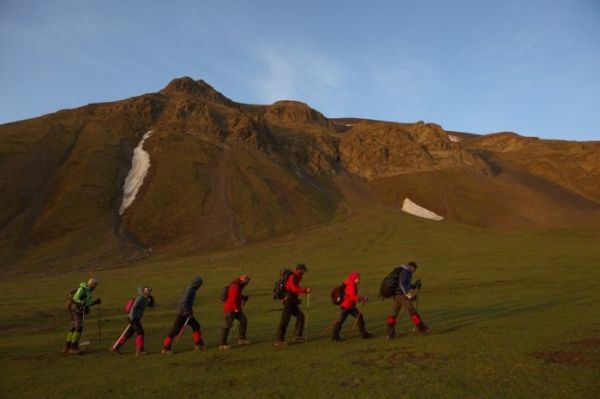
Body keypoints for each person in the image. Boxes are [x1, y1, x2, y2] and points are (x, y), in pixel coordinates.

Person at [384, 261, 429, 339]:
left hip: (396, 295)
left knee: (394, 313)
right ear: (411, 267)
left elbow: (405, 284)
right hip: (401, 295)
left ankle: (389, 334)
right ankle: (423, 329)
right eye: (414, 270)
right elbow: (402, 285)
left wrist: (414, 286)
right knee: (412, 311)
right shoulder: (405, 272)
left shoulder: (403, 270)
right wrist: (410, 297)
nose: (414, 271)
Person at [161, 276, 205, 354]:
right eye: (199, 284)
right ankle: (166, 348)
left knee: (196, 326)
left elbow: (189, 303)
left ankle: (199, 344)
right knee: (175, 330)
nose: (200, 286)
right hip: (182, 313)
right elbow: (184, 301)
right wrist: (186, 311)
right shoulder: (190, 290)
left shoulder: (193, 290)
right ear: (196, 283)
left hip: (187, 312)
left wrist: (190, 311)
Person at [110, 285, 155, 355]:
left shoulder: (145, 299)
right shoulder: (140, 298)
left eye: (150, 291)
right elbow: (134, 307)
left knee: (128, 334)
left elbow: (151, 305)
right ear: (143, 291)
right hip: (133, 318)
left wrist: (151, 298)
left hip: (135, 318)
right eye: (148, 291)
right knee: (140, 332)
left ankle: (115, 348)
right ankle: (139, 350)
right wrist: (132, 318)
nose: (149, 292)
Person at [275, 264, 311, 346]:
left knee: (300, 316)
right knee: (285, 320)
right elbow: (293, 288)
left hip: (291, 300)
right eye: (304, 270)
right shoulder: (293, 276)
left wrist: (297, 299)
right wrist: (305, 290)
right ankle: (279, 340)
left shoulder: (297, 276)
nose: (305, 272)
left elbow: (293, 289)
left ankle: (297, 336)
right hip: (288, 301)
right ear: (299, 270)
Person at [64, 278, 101, 354]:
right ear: (92, 285)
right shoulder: (82, 289)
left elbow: (88, 303)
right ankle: (73, 348)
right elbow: (75, 298)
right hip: (76, 310)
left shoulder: (88, 292)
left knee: (74, 327)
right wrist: (81, 303)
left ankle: (67, 347)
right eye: (95, 285)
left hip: (76, 310)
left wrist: (95, 302)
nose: (95, 287)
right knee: (78, 327)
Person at [332, 272, 373, 341]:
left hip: (350, 306)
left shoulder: (352, 283)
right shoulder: (351, 285)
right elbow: (352, 297)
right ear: (354, 278)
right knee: (340, 321)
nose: (359, 279)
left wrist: (361, 298)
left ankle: (364, 334)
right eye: (357, 277)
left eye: (359, 277)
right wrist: (362, 298)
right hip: (346, 306)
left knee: (359, 317)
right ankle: (335, 337)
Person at [219, 274, 251, 350]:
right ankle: (223, 344)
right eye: (247, 281)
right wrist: (236, 309)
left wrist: (243, 297)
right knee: (227, 325)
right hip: (230, 309)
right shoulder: (236, 286)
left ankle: (242, 339)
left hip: (235, 309)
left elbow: (237, 296)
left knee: (243, 320)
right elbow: (233, 299)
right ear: (243, 280)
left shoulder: (238, 286)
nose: (247, 283)